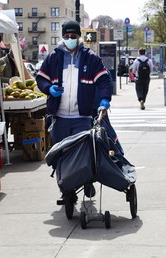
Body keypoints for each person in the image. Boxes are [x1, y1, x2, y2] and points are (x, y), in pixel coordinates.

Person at [36, 20, 112, 203]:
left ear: (79, 37)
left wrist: (104, 99)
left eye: (73, 36)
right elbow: (40, 78)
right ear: (63, 37)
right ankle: (66, 190)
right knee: (60, 155)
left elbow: (104, 81)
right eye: (66, 36)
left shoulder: (90, 58)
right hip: (60, 117)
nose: (70, 39)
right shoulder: (54, 57)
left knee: (82, 153)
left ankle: (86, 181)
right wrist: (49, 88)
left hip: (82, 116)